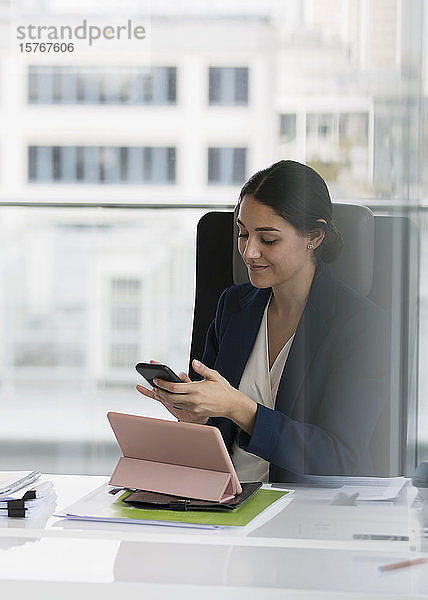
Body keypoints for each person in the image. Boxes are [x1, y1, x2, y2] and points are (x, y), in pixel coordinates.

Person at [136, 160, 388, 482]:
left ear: (314, 236)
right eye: (242, 234)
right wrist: (196, 419)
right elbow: (219, 432)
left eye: (268, 240)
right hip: (229, 497)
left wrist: (239, 408)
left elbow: (339, 455)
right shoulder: (234, 306)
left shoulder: (362, 325)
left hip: (304, 510)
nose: (250, 252)